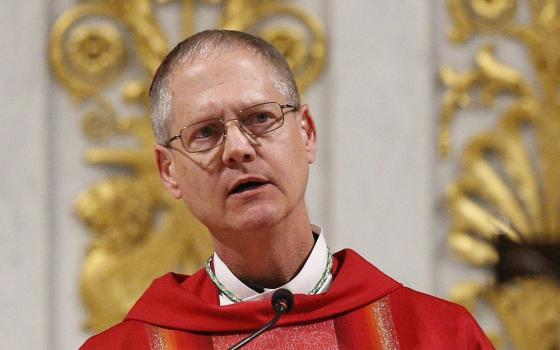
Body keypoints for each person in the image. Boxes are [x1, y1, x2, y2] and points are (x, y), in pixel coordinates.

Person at [81, 29, 494, 349]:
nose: (238, 149)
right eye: (205, 132)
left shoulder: (436, 337)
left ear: (307, 134)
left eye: (260, 118)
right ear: (168, 170)